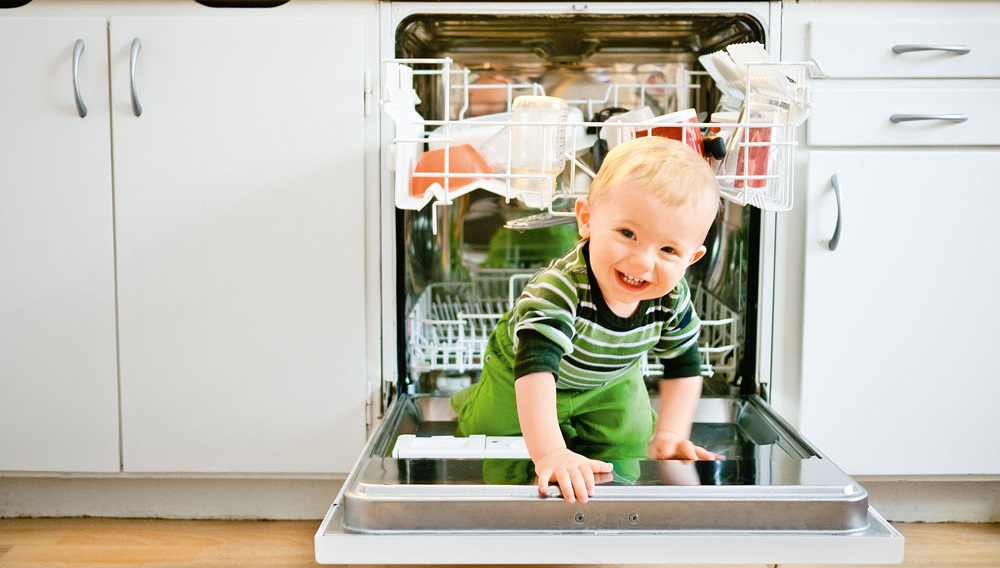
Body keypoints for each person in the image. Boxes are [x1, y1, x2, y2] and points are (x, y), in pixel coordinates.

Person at [450, 136, 723, 504]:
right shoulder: (559, 288)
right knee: (493, 435)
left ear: (691, 258)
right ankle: (473, 404)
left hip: (609, 378)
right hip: (524, 372)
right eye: (628, 234)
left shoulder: (673, 298)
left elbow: (684, 364)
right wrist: (549, 454)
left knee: (632, 439)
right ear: (587, 220)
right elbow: (536, 369)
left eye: (668, 249)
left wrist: (670, 433)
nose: (643, 262)